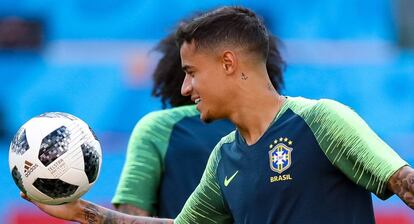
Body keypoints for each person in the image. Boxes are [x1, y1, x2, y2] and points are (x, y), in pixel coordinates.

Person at [21, 6, 414, 224]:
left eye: (191, 73)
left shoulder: (321, 120)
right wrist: (82, 213)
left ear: (228, 63)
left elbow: (405, 184)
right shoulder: (225, 157)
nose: (184, 89)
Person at [113, 16, 286, 218]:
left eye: (192, 72)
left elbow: (131, 215)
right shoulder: (288, 125)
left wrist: (84, 212)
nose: (186, 86)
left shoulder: (159, 128)